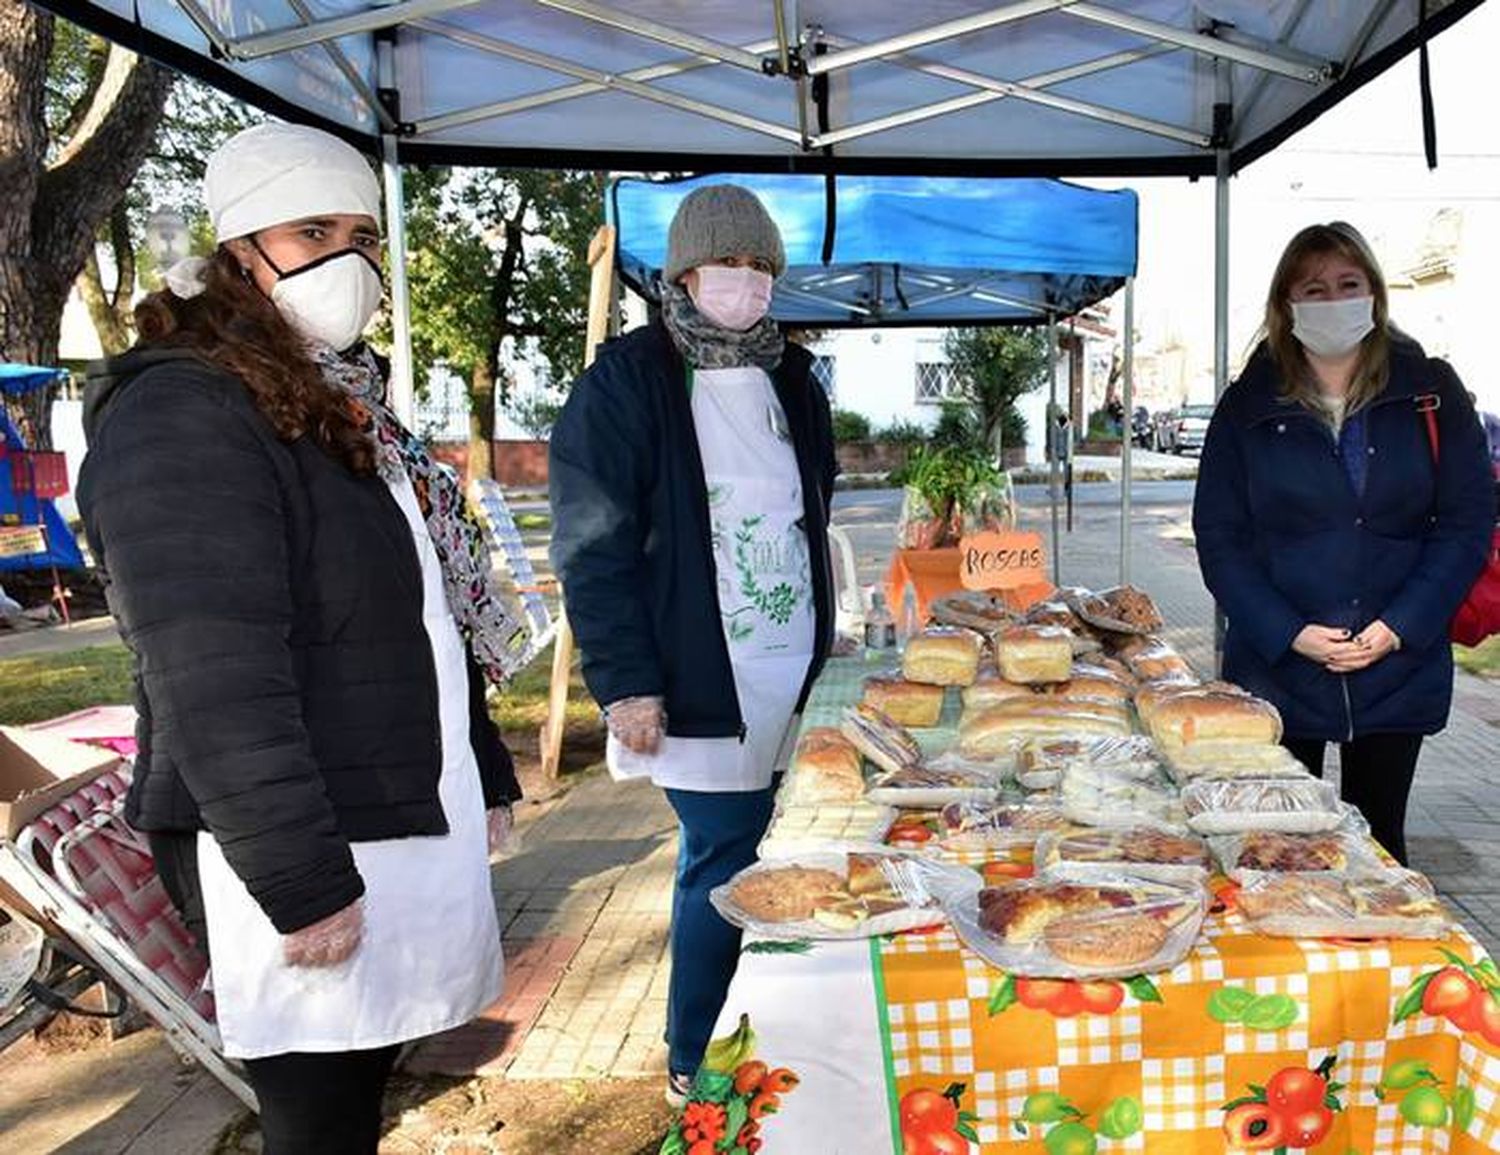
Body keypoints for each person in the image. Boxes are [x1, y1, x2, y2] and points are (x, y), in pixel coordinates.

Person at [77, 123, 528, 1153]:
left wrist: (484, 763)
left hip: (377, 802)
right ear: (239, 252)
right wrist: (302, 880)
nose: (352, 262)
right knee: (316, 1118)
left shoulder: (332, 402)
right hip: (284, 836)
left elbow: (414, 613)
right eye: (313, 229)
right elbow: (210, 675)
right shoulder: (182, 413)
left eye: (365, 234)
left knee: (360, 1087)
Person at [549, 184, 836, 1102]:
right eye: (728, 263)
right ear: (680, 272)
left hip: (792, 664)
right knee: (726, 853)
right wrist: (625, 681)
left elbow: (809, 511)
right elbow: (591, 545)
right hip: (693, 670)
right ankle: (692, 1053)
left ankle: (778, 1035)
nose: (744, 283)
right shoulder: (625, 379)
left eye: (760, 267)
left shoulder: (794, 375)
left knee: (786, 849)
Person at [1193, 221, 1492, 864]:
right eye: (1315, 288)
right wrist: (1287, 631)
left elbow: (1466, 525)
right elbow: (1220, 538)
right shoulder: (1245, 406)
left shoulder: (1431, 393)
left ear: (1376, 295)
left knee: (1380, 846)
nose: (1333, 300)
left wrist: (1399, 626)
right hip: (1277, 668)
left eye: (1348, 284)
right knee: (1273, 851)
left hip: (1395, 668)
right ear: (1286, 304)